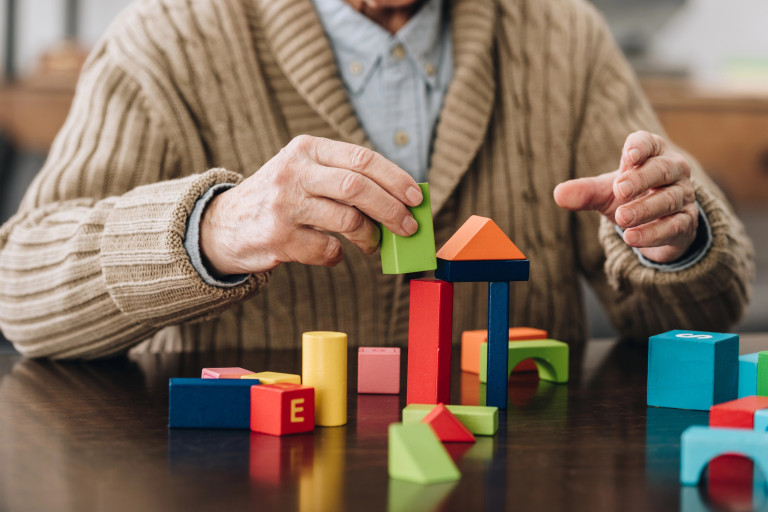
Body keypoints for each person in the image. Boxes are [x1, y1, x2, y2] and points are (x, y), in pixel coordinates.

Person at [0, 0, 754, 359]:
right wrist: (212, 229)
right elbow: (21, 295)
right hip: (237, 480)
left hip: (510, 470)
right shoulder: (164, 37)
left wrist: (673, 245)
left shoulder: (565, 34)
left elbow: (708, 312)